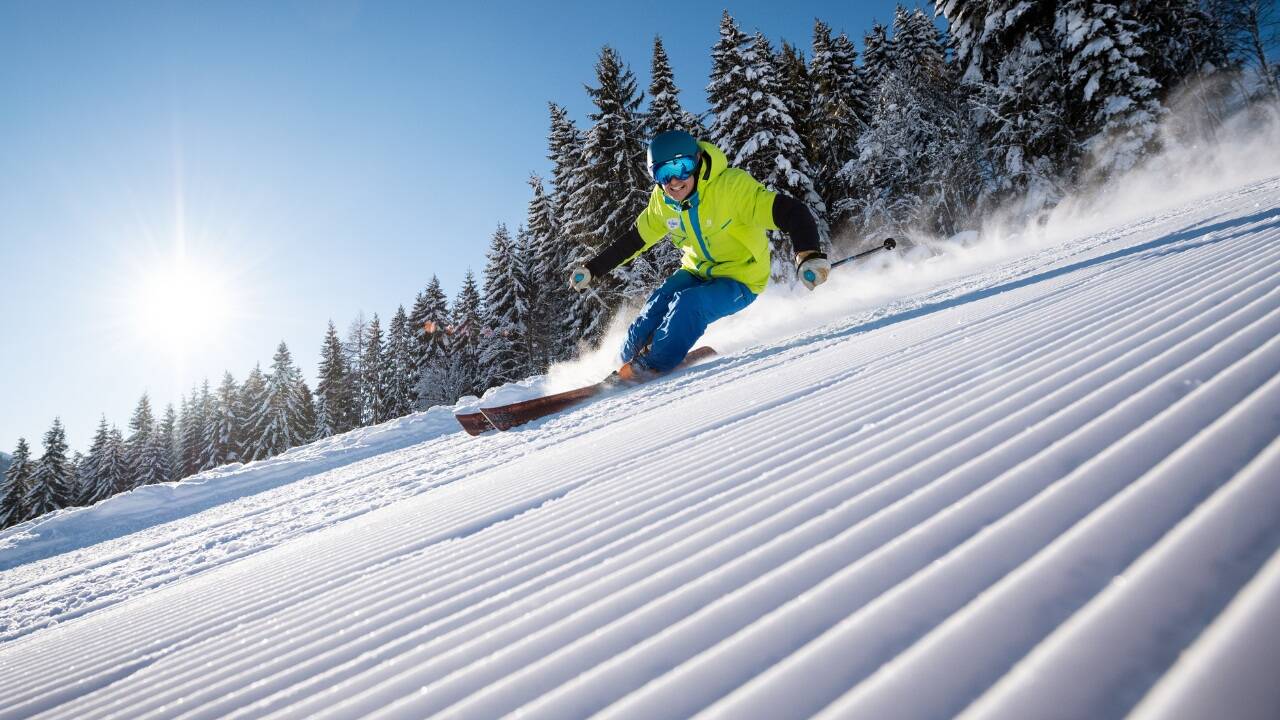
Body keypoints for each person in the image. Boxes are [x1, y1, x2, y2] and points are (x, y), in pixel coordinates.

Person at [569, 130, 829, 382]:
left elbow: (792, 212)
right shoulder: (662, 202)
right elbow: (633, 240)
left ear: (696, 162)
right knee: (656, 304)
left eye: (681, 167)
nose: (674, 181)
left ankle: (651, 366)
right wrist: (593, 269)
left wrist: (807, 253)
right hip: (697, 270)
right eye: (663, 173)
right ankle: (622, 363)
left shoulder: (731, 188)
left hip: (741, 278)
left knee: (689, 304)